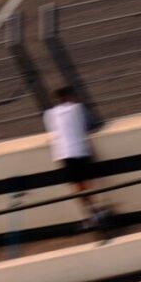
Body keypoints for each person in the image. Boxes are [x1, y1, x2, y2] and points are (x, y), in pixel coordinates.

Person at [43, 85, 102, 229]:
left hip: (63, 152)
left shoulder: (49, 113)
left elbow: (52, 130)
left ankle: (89, 214)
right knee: (87, 182)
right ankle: (95, 210)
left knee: (76, 185)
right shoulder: (78, 108)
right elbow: (89, 124)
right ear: (70, 96)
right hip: (80, 149)